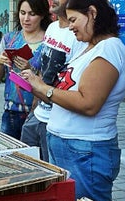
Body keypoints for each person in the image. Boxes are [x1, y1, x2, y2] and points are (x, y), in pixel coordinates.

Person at [22, 0, 125, 201]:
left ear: (92, 13)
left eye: (73, 20)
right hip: (69, 147)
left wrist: (45, 89)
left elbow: (88, 103)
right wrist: (36, 87)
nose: (70, 26)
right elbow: (66, 94)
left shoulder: (109, 49)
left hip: (85, 151)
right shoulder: (90, 47)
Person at [19, 0, 86, 161]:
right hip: (38, 114)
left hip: (57, 121)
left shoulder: (79, 35)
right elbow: (45, 69)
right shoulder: (52, 28)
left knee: (51, 176)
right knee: (25, 167)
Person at [0, 0, 50, 140]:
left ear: (42, 15)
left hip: (38, 112)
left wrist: (30, 68)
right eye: (23, 13)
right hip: (11, 111)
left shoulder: (49, 41)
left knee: (34, 158)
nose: (26, 19)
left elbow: (52, 81)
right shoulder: (10, 39)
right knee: (9, 156)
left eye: (32, 14)